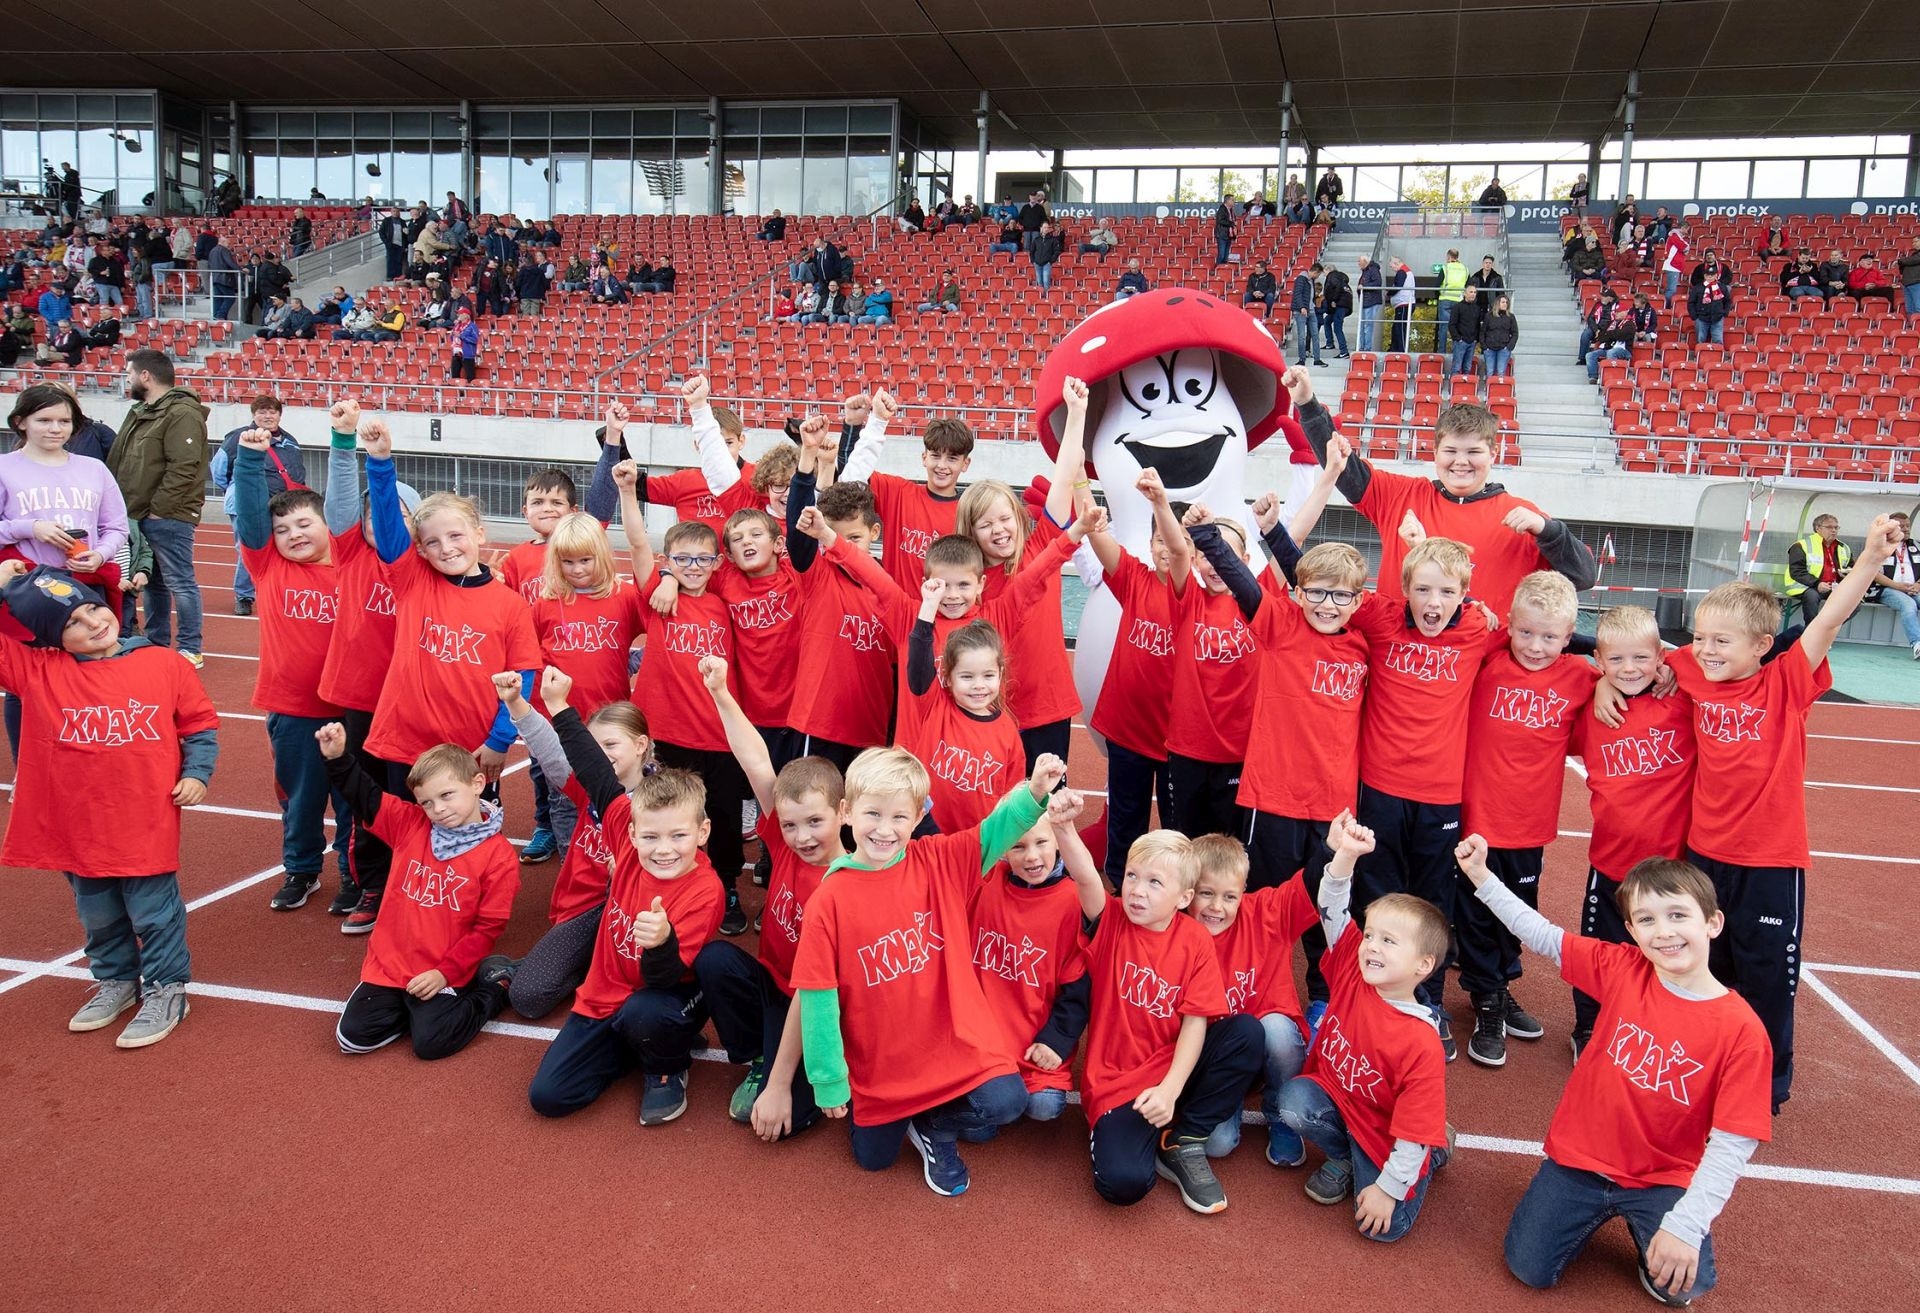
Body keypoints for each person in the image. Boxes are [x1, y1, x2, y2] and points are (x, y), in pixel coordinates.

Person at [1645, 518, 1901, 1111]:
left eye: (1722, 641)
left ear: (1762, 646)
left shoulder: (1785, 681)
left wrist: (1868, 559)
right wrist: (1627, 680)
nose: (1706, 650)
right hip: (1703, 855)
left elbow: (1828, 619)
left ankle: (1765, 1084)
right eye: (1700, 638)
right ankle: (1707, 1063)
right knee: (1706, 966)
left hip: (1768, 861)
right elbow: (1639, 657)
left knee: (1766, 978)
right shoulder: (1692, 667)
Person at [1460, 847, 1771, 1305]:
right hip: (1580, 1160)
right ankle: (1591, 1212)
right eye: (1646, 920)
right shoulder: (1625, 969)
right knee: (1528, 1268)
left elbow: (1733, 1143)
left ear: (1712, 922)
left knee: (1684, 1289)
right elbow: (1542, 935)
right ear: (1631, 931)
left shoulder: (1742, 1031)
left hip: (1661, 1177)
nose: (1663, 931)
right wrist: (1480, 876)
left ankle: (1653, 1227)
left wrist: (1686, 1225)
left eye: (1678, 915)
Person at [791, 747, 1067, 1194]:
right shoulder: (829, 900)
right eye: (873, 813)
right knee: (873, 1160)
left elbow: (994, 831)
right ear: (846, 812)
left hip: (950, 1043)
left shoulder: (938, 860)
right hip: (882, 1062)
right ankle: (899, 1116)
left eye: (900, 817)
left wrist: (1034, 791)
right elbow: (818, 995)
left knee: (1006, 1103)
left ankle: (934, 1125)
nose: (885, 830)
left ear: (919, 816)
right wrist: (829, 1080)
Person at [0, 558, 218, 1048]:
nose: (93, 623)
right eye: (71, 624)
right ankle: (116, 979)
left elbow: (199, 724)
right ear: (52, 640)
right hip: (77, 824)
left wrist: (196, 773)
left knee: (153, 912)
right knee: (98, 915)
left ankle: (166, 988)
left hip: (143, 819)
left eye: (92, 609)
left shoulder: (164, 663)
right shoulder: (38, 671)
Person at [358, 424, 542, 857]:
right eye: (432, 542)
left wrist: (499, 740)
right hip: (406, 742)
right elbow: (388, 526)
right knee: (407, 838)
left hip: (470, 750)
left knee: (470, 841)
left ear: (479, 533)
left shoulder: (510, 605)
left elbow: (523, 676)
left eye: (456, 535)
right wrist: (380, 462)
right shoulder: (412, 580)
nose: (446, 548)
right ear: (419, 550)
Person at [1275, 816, 1453, 1240]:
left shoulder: (1421, 1043)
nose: (1371, 945)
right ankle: (1345, 1156)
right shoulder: (1354, 968)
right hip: (1342, 1102)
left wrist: (1389, 1190)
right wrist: (1346, 856)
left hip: (1389, 1134)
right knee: (1294, 1102)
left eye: (1388, 941)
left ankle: (1434, 1148)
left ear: (1423, 965)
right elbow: (1332, 905)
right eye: (1370, 935)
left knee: (1383, 1229)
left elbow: (1410, 1133)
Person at [1453, 572, 1597, 1068]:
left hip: (1530, 822)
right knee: (1476, 912)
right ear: (1510, 624)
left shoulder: (1581, 677)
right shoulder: (1489, 658)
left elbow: (1627, 671)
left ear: (1569, 635)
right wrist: (1491, 622)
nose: (1536, 646)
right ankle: (1486, 998)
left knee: (1515, 909)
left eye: (1550, 637)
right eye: (1526, 632)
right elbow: (1466, 625)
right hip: (1477, 818)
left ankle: (1500, 984)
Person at [691, 658, 838, 1136]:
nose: (801, 836)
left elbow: (815, 990)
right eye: (790, 824)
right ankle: (759, 1055)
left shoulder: (849, 882)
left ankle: (805, 1067)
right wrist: (720, 692)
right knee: (715, 959)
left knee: (791, 1118)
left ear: (843, 813)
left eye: (815, 822)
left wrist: (780, 1086)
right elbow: (755, 759)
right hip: (774, 984)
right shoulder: (785, 843)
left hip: (815, 1003)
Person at [610, 461, 754, 936]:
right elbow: (636, 543)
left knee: (724, 818)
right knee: (669, 814)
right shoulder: (658, 597)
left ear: (717, 563)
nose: (693, 567)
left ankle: (726, 886)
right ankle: (666, 888)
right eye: (682, 560)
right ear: (668, 560)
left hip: (719, 735)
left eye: (702, 560)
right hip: (668, 734)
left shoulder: (725, 601)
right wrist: (628, 493)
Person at [319, 723, 518, 1059]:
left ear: (477, 784)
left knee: (432, 1044)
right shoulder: (410, 824)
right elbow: (366, 797)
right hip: (391, 966)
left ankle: (494, 988)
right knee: (352, 1039)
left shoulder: (499, 857)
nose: (438, 809)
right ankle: (410, 1008)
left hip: (444, 967)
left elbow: (487, 930)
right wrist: (338, 759)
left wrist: (444, 973)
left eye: (447, 795)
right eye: (427, 802)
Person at [228, 425, 355, 914]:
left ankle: (353, 873)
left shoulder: (352, 568)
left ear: (327, 524)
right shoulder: (267, 566)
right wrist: (248, 459)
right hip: (293, 711)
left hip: (349, 708)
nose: (293, 535)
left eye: (304, 524)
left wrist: (344, 441)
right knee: (301, 800)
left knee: (352, 799)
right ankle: (301, 870)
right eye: (282, 530)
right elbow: (251, 518)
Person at [1571, 606, 1696, 1055]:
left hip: (1671, 866)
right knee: (1601, 952)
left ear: (1660, 655)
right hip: (1611, 861)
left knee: (1669, 949)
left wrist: (1672, 664)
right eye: (1616, 660)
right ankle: (1590, 1027)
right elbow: (1552, 656)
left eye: (1641, 658)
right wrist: (1599, 684)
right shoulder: (1591, 707)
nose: (1629, 669)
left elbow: (1705, 655)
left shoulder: (1680, 699)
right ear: (1599, 661)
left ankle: (1654, 1028)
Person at [317, 403, 421, 930]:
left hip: (411, 703)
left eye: (396, 514)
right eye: (374, 513)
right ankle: (372, 883)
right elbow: (339, 503)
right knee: (366, 796)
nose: (381, 521)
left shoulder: (421, 568)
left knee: (410, 796)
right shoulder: (352, 555)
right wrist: (343, 441)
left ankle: (414, 880)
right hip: (361, 699)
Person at [1186, 829, 1331, 1168]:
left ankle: (1279, 1111)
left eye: (1229, 896)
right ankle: (1231, 1097)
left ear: (1243, 891)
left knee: (1277, 1031)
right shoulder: (1175, 932)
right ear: (1188, 891)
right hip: (1218, 1061)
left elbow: (1312, 883)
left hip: (1266, 1044)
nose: (1216, 907)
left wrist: (1334, 849)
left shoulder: (1266, 914)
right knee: (1217, 1145)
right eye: (1206, 894)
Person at [106, 350, 209, 667]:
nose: (127, 380)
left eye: (129, 373)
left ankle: (190, 647)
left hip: (167, 516)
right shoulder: (142, 411)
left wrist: (159, 510)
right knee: (154, 583)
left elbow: (183, 467)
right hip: (139, 513)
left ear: (145, 376)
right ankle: (155, 643)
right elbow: (122, 461)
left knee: (180, 581)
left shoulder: (182, 413)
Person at [210, 395, 307, 617]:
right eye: (262, 412)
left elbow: (297, 471)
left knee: (285, 548)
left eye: (272, 412)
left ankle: (278, 592)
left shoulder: (290, 441)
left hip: (283, 505)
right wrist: (238, 492)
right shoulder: (239, 438)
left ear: (279, 415)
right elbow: (219, 470)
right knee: (250, 549)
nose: (268, 416)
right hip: (249, 506)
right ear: (254, 415)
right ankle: (244, 596)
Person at [1866, 512, 1920, 658]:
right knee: (1908, 605)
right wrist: (1897, 586)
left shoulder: (1916, 545)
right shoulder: (1880, 546)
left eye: (1908, 526)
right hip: (1886, 588)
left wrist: (1918, 585)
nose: (1906, 529)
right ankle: (1917, 644)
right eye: (1901, 526)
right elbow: (1873, 573)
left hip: (1913, 589)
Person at [1785, 514, 1850, 625]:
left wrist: (1847, 574)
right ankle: (1811, 629)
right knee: (1812, 596)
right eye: (1829, 527)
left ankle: (1827, 627)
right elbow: (1796, 571)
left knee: (1855, 601)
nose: (1834, 530)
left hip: (1834, 587)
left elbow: (1850, 567)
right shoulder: (1801, 545)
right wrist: (1817, 583)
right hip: (1807, 587)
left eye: (1836, 527)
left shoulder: (1843, 547)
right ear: (1818, 528)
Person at [1585, 298, 1634, 383]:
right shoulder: (1611, 323)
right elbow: (1601, 336)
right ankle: (1593, 377)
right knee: (1590, 355)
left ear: (1625, 312)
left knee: (1611, 353)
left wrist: (1609, 334)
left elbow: (1622, 336)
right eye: (1615, 312)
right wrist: (1611, 335)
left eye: (1618, 312)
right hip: (1608, 348)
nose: (1615, 314)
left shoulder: (1630, 324)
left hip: (1623, 350)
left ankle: (1612, 377)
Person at [1434, 249, 1467, 359]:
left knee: (1443, 327)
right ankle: (1456, 351)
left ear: (1449, 257)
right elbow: (1469, 285)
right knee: (1457, 327)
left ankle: (1442, 352)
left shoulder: (1445, 268)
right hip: (1459, 301)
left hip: (1445, 300)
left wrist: (1437, 297)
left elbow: (1437, 285)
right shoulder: (1465, 269)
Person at [1687, 264, 1732, 346]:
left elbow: (1728, 301)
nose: (1710, 277)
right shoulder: (1697, 288)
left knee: (1718, 341)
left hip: (1717, 318)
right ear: (1705, 276)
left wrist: (1724, 313)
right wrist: (1694, 316)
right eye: (1708, 275)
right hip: (1701, 318)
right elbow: (1691, 302)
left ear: (1716, 276)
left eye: (1712, 275)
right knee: (1700, 341)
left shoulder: (1722, 287)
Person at [1290, 262, 1325, 367]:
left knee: (1315, 335)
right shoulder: (1301, 279)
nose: (1318, 277)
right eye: (1318, 274)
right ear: (1315, 272)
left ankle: (1317, 359)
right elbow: (1297, 294)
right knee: (1301, 336)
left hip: (1311, 310)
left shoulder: (1311, 280)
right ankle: (1302, 359)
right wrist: (1302, 307)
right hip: (1301, 311)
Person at [1479, 294, 1518, 377]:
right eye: (1503, 302)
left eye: (1506, 302)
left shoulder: (1511, 317)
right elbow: (1482, 332)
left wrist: (1509, 347)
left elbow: (1515, 333)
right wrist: (1485, 347)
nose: (1505, 304)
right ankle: (1489, 386)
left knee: (1501, 372)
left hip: (1504, 349)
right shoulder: (1489, 316)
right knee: (1489, 372)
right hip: (1489, 349)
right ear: (1497, 303)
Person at [1320, 262, 1353, 359]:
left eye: (1324, 271)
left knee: (1337, 328)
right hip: (1343, 305)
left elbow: (1337, 287)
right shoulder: (1342, 279)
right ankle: (1329, 343)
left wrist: (1334, 300)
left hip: (1340, 305)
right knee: (1327, 321)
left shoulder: (1332, 276)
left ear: (1328, 270)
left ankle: (1344, 351)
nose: (1324, 274)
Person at [1445, 292, 1481, 378]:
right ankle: (1454, 385)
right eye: (1471, 292)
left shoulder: (1477, 308)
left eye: (1475, 292)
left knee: (1467, 368)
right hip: (1460, 342)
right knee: (1456, 368)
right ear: (1465, 294)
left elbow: (1477, 325)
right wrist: (1458, 338)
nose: (1473, 294)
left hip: (1472, 342)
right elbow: (1452, 325)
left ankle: (1465, 386)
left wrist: (1476, 339)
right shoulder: (1457, 307)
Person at [1355, 254, 1382, 351]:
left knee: (1367, 325)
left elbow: (1378, 283)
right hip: (1365, 301)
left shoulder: (1373, 270)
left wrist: (1364, 286)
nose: (1358, 263)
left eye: (1359, 261)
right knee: (1363, 325)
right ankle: (1362, 346)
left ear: (1365, 261)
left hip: (1371, 301)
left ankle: (1367, 347)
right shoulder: (1366, 271)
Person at [1389, 260, 1416, 351]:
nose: (1392, 269)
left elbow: (1398, 286)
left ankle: (1401, 349)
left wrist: (1388, 293)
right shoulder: (1406, 272)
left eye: (1392, 266)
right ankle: (1395, 349)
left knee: (1400, 328)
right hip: (1403, 303)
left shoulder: (1402, 272)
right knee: (1396, 327)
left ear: (1396, 264)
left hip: (1404, 303)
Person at [447, 310, 480, 386]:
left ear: (465, 315)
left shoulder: (472, 326)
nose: (457, 315)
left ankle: (471, 391)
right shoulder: (457, 326)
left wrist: (461, 336)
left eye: (460, 314)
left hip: (467, 354)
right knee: (455, 375)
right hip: (456, 352)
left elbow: (475, 340)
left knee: (470, 376)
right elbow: (453, 339)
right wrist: (452, 335)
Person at [1031, 223, 1063, 292]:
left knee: (1046, 281)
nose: (1046, 229)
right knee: (1039, 282)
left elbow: (1057, 251)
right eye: (1044, 227)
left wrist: (1051, 261)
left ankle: (1047, 297)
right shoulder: (1036, 239)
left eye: (1047, 228)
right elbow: (1032, 251)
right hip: (1037, 264)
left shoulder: (1053, 240)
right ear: (1041, 228)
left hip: (1047, 264)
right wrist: (1033, 261)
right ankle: (1041, 297)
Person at [1897, 236, 1920, 315]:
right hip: (1908, 283)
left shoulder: (1916, 256)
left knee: (1918, 307)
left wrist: (1899, 261)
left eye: (1916, 241)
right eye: (1913, 242)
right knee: (1910, 309)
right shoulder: (1914, 254)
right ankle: (1913, 322)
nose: (1913, 244)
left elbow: (1912, 260)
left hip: (1917, 283)